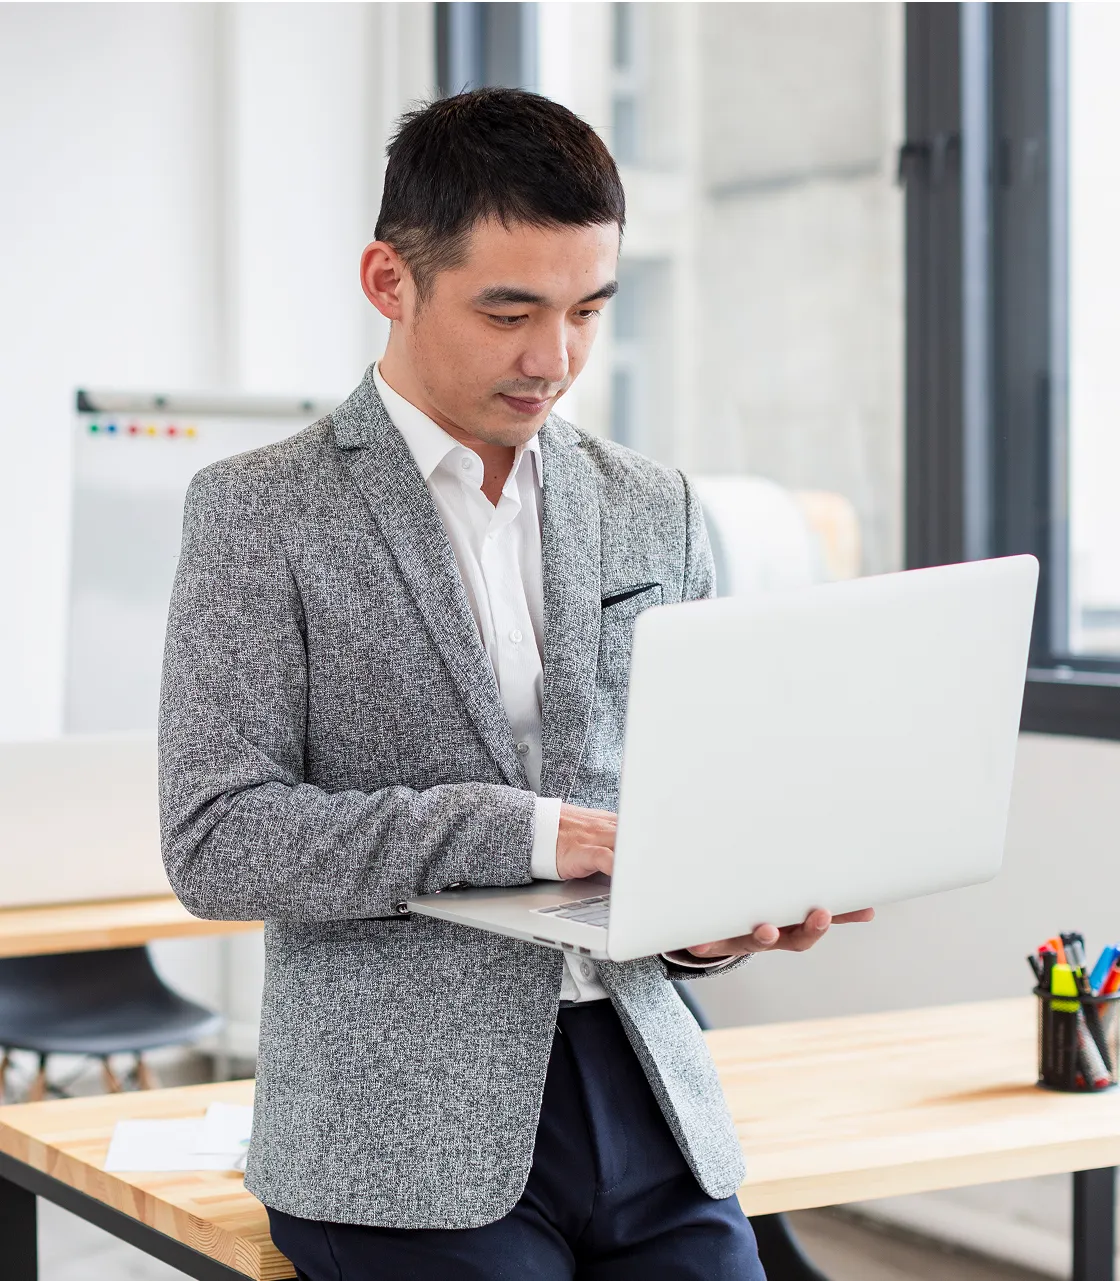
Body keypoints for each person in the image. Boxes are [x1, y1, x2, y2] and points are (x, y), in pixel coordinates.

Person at [159, 87, 873, 1281]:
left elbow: (676, 806)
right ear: (389, 281)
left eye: (588, 310)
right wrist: (533, 833)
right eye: (509, 312)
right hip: (395, 1128)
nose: (554, 360)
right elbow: (218, 842)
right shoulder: (259, 512)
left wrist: (712, 919)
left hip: (645, 1091)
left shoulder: (653, 504)